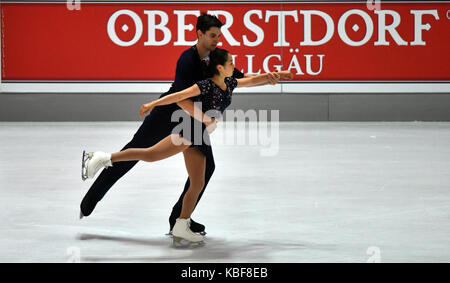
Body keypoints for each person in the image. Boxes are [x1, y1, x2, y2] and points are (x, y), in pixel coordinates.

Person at [79, 13, 281, 236]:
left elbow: (238, 80)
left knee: (206, 168)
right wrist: (204, 119)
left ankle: (180, 219)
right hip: (167, 114)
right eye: (213, 36)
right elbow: (181, 98)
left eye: (219, 36)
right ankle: (91, 197)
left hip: (193, 122)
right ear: (199, 34)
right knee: (135, 152)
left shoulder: (216, 59)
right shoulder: (187, 59)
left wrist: (268, 77)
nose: (217, 40)